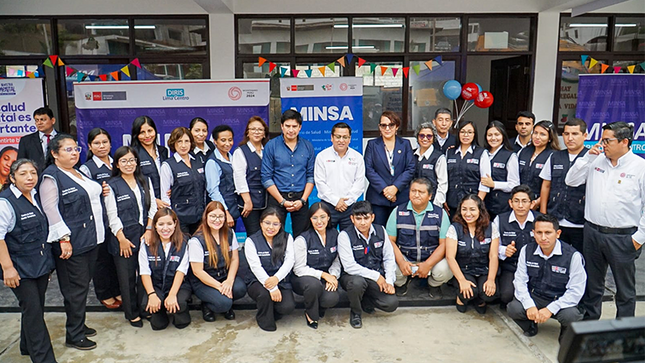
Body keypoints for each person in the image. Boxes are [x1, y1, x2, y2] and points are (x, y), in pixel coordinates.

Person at [565, 121, 645, 320]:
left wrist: (638, 238)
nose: (603, 144)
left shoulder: (640, 167)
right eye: (602, 140)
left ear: (624, 142)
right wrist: (587, 158)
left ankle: (623, 331)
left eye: (607, 140)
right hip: (592, 233)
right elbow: (571, 181)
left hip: (623, 237)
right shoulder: (596, 160)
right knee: (593, 285)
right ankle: (591, 327)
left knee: (625, 291)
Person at [40, 133, 104, 350]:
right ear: (55, 154)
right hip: (71, 243)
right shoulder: (51, 176)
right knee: (74, 289)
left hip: (90, 239)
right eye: (68, 149)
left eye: (76, 148)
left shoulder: (77, 172)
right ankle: (74, 335)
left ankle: (79, 324)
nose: (74, 152)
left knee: (83, 286)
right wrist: (63, 239)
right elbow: (50, 209)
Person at [0, 159, 57, 363]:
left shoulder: (35, 196)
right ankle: (44, 359)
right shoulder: (5, 202)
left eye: (33, 173)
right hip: (19, 269)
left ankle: (26, 345)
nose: (30, 177)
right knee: (33, 313)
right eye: (23, 173)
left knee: (34, 308)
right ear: (12, 177)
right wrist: (8, 268)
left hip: (39, 265)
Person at [507, 214, 585, 341]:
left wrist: (550, 309)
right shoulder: (526, 250)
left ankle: (565, 331)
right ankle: (530, 325)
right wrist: (529, 305)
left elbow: (576, 291)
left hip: (559, 299)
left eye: (548, 232)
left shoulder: (573, 256)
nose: (543, 237)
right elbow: (520, 281)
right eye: (539, 232)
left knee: (571, 315)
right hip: (536, 296)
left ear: (558, 233)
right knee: (513, 308)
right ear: (533, 233)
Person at [104, 146, 157, 328]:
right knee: (126, 278)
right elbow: (112, 215)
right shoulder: (111, 185)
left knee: (144, 273)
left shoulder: (145, 181)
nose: (129, 164)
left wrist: (149, 229)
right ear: (117, 164)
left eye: (132, 160)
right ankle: (132, 313)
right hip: (123, 238)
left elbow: (152, 208)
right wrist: (121, 238)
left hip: (144, 234)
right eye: (124, 161)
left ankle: (144, 308)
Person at [386, 178, 452, 299]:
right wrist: (401, 262)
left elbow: (444, 245)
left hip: (431, 260)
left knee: (447, 268)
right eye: (413, 191)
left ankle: (434, 285)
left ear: (430, 196)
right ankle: (401, 283)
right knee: (389, 264)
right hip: (406, 259)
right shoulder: (397, 212)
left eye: (421, 192)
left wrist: (428, 264)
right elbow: (390, 241)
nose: (416, 195)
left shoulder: (440, 214)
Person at [337, 201, 398, 329]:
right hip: (352, 277)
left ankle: (365, 300)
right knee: (357, 283)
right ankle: (355, 312)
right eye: (358, 218)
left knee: (391, 303)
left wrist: (389, 282)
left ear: (372, 217)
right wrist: (377, 276)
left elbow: (389, 258)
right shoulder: (344, 235)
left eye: (366, 218)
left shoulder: (381, 231)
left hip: (375, 277)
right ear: (352, 219)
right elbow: (349, 266)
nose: (363, 222)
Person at [79, 128, 122, 310]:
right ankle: (105, 293)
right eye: (97, 143)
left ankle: (117, 289)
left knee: (116, 257)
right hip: (100, 221)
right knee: (102, 259)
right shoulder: (86, 169)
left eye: (105, 142)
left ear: (111, 144)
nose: (101, 146)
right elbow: (83, 197)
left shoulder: (117, 163)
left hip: (119, 217)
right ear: (89, 146)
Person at [188, 201, 247, 322]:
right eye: (213, 216)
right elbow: (198, 271)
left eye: (220, 216)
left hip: (224, 276)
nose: (217, 220)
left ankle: (225, 301)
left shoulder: (230, 233)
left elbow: (235, 259)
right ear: (206, 217)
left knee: (240, 289)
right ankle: (208, 305)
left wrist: (229, 281)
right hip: (204, 282)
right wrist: (221, 288)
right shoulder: (196, 240)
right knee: (223, 303)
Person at [261, 110, 315, 237]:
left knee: (302, 237)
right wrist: (282, 201)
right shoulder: (271, 146)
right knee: (275, 235)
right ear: (282, 126)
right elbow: (266, 177)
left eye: (294, 126)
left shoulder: (307, 146)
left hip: (301, 198)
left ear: (300, 127)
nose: (291, 130)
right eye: (287, 126)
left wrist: (302, 200)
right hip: (277, 197)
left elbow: (311, 176)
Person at [539, 119, 588, 252]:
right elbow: (546, 185)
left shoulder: (591, 158)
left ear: (585, 136)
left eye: (575, 134)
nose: (570, 138)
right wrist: (543, 214)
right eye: (566, 134)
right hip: (556, 219)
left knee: (580, 260)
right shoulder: (555, 157)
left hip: (580, 222)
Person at [243, 208, 296, 332]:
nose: (270, 227)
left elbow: (290, 261)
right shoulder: (251, 241)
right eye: (267, 223)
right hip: (257, 281)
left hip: (280, 279)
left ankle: (272, 309)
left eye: (275, 224)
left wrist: (276, 279)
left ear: (280, 225)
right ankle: (264, 319)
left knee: (287, 307)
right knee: (264, 294)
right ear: (261, 223)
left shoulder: (287, 238)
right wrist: (272, 287)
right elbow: (255, 267)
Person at [139, 208, 192, 330]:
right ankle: (161, 311)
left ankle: (179, 313)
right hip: (156, 285)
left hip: (178, 286)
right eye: (161, 224)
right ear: (155, 226)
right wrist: (152, 295)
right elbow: (144, 272)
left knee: (180, 313)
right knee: (158, 325)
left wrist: (172, 294)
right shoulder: (146, 244)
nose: (165, 228)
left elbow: (181, 271)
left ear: (175, 224)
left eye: (169, 224)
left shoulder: (184, 242)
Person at [445, 195, 499, 314]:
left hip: (484, 270)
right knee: (468, 293)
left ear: (480, 210)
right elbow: (450, 257)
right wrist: (462, 280)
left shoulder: (491, 227)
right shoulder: (454, 228)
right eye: (464, 209)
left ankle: (479, 298)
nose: (468, 213)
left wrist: (491, 279)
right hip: (464, 271)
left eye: (472, 209)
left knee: (489, 294)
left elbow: (493, 256)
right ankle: (461, 297)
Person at [291, 202, 341, 329]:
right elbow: (299, 268)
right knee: (313, 285)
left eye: (323, 217)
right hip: (303, 278)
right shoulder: (302, 239)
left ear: (329, 217)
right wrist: (323, 275)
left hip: (326, 276)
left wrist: (333, 276)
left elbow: (337, 260)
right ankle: (311, 314)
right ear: (310, 219)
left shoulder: (336, 234)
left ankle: (319, 305)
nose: (319, 221)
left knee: (331, 298)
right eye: (315, 218)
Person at [364, 111, 416, 226]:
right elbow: (368, 169)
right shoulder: (372, 144)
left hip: (400, 197)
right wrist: (385, 190)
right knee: (379, 235)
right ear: (379, 127)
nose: (387, 128)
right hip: (378, 199)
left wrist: (395, 188)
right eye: (383, 125)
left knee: (400, 233)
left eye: (391, 125)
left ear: (397, 127)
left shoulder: (405, 144)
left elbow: (410, 168)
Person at [493, 185, 539, 308]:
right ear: (510, 203)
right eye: (516, 201)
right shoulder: (500, 219)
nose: (520, 205)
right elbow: (493, 246)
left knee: (538, 295)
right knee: (506, 295)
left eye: (524, 201)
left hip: (535, 267)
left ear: (532, 203)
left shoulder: (539, 220)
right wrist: (504, 250)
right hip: (511, 267)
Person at [314, 122, 365, 231]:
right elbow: (320, 182)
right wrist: (336, 201)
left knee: (348, 240)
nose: (341, 140)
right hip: (328, 206)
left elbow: (359, 183)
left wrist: (345, 203)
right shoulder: (322, 156)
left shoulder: (358, 157)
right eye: (338, 137)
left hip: (350, 207)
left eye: (345, 137)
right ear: (332, 138)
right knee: (327, 240)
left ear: (350, 139)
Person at [160, 127, 207, 235]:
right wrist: (171, 219)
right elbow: (165, 196)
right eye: (179, 141)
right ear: (173, 143)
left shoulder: (198, 161)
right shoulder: (168, 165)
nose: (183, 145)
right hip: (180, 219)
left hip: (199, 217)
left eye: (186, 141)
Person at [445, 120, 491, 219]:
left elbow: (485, 182)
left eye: (470, 132)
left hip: (473, 204)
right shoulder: (450, 152)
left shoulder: (482, 153)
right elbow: (444, 178)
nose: (466, 135)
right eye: (462, 132)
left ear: (474, 134)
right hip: (452, 203)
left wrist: (477, 203)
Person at [232, 116, 269, 236]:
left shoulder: (267, 151)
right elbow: (239, 177)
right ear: (247, 132)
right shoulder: (240, 152)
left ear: (264, 134)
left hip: (267, 202)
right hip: (250, 203)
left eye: (260, 129)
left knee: (268, 234)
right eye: (253, 129)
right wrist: (247, 201)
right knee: (255, 236)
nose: (256, 132)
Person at [482, 121, 520, 220]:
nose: (493, 138)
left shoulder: (510, 156)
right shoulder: (482, 153)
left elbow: (514, 184)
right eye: (490, 135)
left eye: (497, 134)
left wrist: (494, 184)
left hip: (501, 207)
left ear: (503, 135)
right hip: (483, 204)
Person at [130, 115, 169, 209]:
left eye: (150, 131)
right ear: (136, 135)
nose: (147, 136)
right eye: (142, 132)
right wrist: (153, 200)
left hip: (166, 202)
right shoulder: (132, 153)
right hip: (146, 204)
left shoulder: (163, 151)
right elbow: (132, 181)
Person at [518, 120, 560, 205]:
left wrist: (537, 202)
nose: (537, 137)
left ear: (550, 138)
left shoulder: (554, 156)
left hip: (541, 202)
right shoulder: (524, 151)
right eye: (535, 133)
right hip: (521, 201)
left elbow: (553, 185)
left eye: (542, 134)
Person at [205, 125, 238, 227]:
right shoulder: (212, 162)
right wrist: (225, 213)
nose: (227, 144)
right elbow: (213, 191)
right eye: (223, 140)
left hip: (234, 208)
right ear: (215, 141)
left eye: (230, 140)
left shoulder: (232, 157)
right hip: (221, 213)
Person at [413, 122, 447, 207]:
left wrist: (437, 204)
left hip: (431, 203)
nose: (425, 139)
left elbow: (442, 183)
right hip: (413, 201)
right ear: (417, 137)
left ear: (433, 138)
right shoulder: (411, 154)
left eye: (429, 136)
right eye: (421, 135)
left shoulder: (439, 157)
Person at [17, 107, 57, 171]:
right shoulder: (26, 141)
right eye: (36, 120)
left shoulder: (64, 138)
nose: (39, 123)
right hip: (36, 178)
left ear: (52, 120)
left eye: (43, 119)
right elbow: (21, 164)